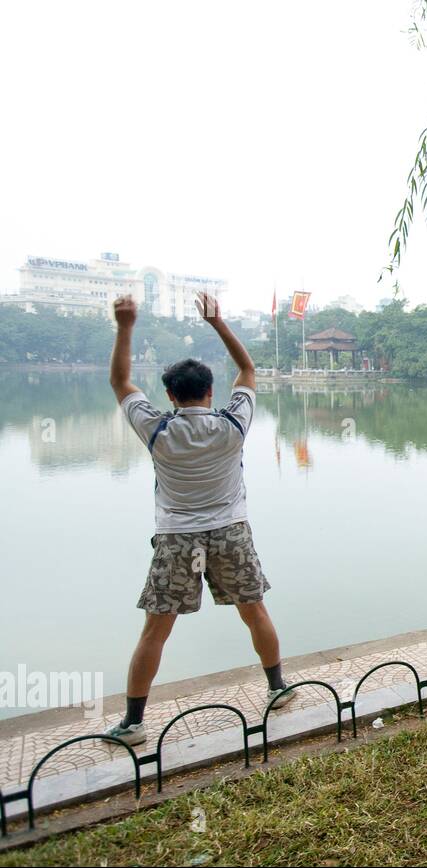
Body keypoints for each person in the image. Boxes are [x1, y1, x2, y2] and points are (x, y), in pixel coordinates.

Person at [106, 294, 291, 746]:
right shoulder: (232, 426)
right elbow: (248, 372)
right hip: (231, 532)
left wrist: (125, 324)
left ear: (169, 395)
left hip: (177, 539)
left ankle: (133, 723)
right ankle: (278, 687)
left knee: (156, 628)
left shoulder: (158, 429)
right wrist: (218, 321)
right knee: (254, 611)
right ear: (211, 391)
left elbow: (120, 381)